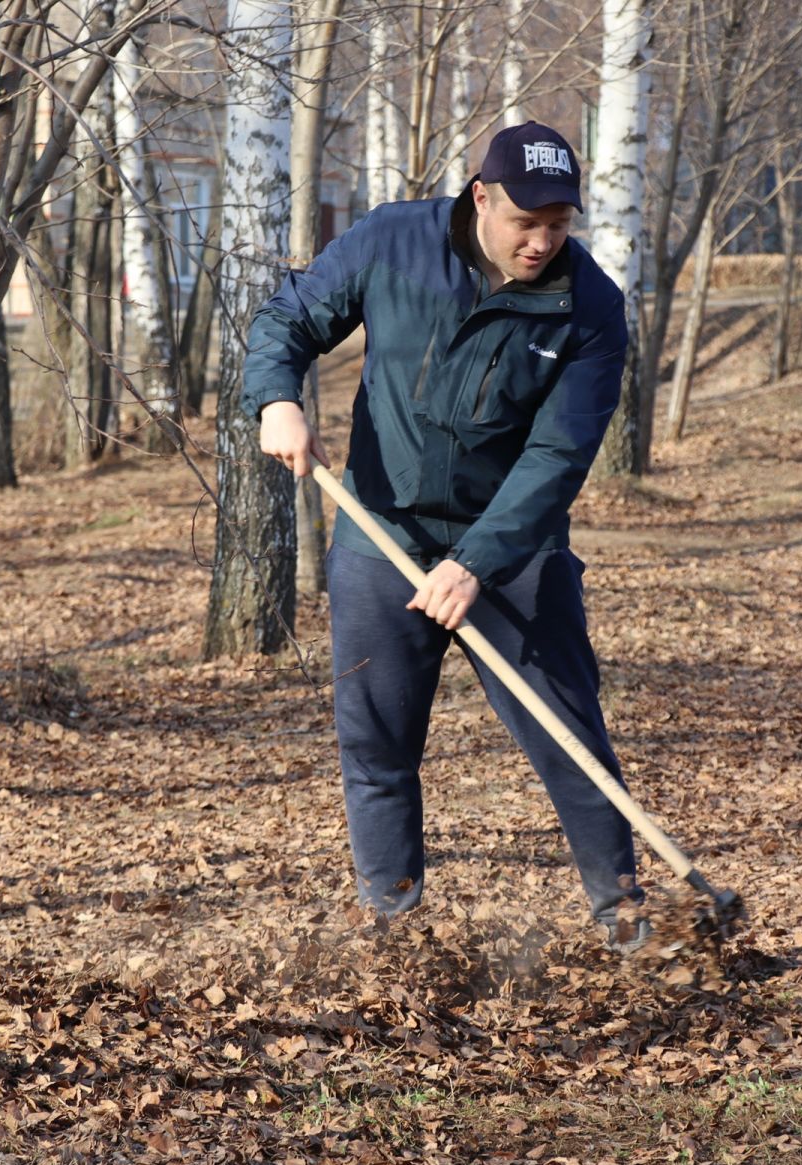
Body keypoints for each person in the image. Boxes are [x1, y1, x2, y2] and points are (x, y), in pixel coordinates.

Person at [244, 121, 648, 949]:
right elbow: (287, 319)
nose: (540, 243)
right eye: (524, 222)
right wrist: (276, 398)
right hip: (379, 535)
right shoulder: (394, 241)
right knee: (377, 744)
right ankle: (395, 932)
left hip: (514, 549)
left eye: (558, 225)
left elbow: (558, 455)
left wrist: (476, 563)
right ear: (481, 198)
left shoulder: (590, 309)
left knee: (568, 732)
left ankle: (627, 913)